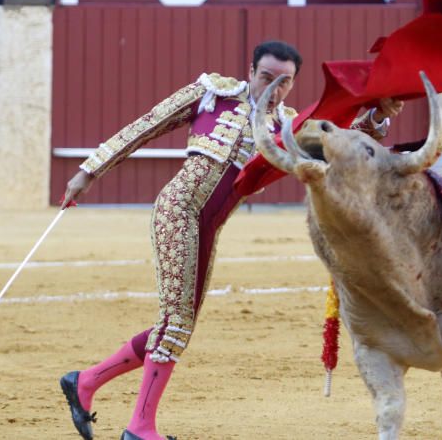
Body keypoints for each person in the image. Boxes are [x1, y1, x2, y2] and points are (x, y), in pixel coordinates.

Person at [58, 40, 402, 440]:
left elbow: (341, 142)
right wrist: (88, 172)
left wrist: (377, 113)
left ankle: (85, 382)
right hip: (178, 212)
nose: (274, 87)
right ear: (251, 70)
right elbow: (145, 125)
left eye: (284, 82)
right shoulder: (212, 94)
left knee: (176, 325)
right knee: (175, 326)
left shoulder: (286, 127)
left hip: (208, 227)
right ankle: (140, 429)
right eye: (266, 77)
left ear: (293, 84)